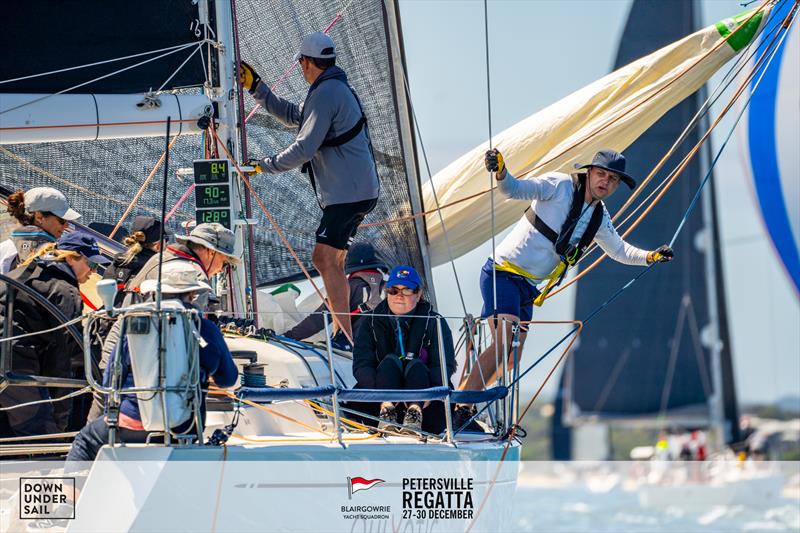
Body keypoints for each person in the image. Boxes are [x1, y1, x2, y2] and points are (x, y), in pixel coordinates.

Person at [454, 148, 675, 426]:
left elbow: (619, 250)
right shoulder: (559, 186)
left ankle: (463, 390)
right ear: (589, 172)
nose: (605, 182)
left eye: (612, 179)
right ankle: (462, 407)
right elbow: (513, 189)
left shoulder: (599, 217)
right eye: (601, 174)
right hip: (503, 273)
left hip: (528, 288)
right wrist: (501, 171)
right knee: (503, 345)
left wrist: (650, 257)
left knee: (511, 360)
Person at [240, 32, 380, 342]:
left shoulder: (327, 92)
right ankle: (344, 333)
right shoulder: (331, 89)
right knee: (335, 260)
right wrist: (256, 87)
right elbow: (295, 116)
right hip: (356, 192)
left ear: (306, 62)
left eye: (301, 63)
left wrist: (264, 165)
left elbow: (304, 148)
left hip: (348, 195)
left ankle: (344, 336)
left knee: (323, 258)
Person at [68, 261, 238, 462]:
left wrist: (112, 415)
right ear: (192, 295)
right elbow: (228, 379)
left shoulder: (133, 323)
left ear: (154, 293)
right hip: (183, 427)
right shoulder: (205, 327)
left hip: (129, 422)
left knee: (84, 442)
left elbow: (110, 378)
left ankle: (71, 493)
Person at [0, 233, 110, 437]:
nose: (93, 272)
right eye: (91, 264)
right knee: (40, 432)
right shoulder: (64, 291)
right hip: (16, 360)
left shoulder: (24, 272)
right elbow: (62, 358)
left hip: (9, 355)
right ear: (70, 257)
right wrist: (60, 419)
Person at [352, 265, 456, 434]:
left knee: (416, 366)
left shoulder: (435, 322)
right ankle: (387, 411)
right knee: (389, 363)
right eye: (394, 290)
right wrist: (380, 397)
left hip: (424, 400)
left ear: (419, 293)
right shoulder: (369, 322)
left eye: (407, 290)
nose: (399, 295)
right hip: (379, 398)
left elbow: (444, 366)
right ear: (387, 291)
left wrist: (426, 397)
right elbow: (362, 365)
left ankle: (414, 412)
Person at [284, 242, 387, 349]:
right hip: (380, 348)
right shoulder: (390, 289)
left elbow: (319, 318)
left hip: (353, 347)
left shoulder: (348, 287)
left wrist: (289, 336)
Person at [124, 222, 238, 305]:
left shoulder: (159, 257)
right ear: (212, 252)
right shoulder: (196, 276)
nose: (222, 270)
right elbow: (191, 330)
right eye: (224, 263)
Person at [0, 187, 82, 273]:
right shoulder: (41, 256)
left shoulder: (5, 247)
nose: (66, 226)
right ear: (39, 217)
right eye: (62, 220)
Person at [103, 216, 168, 307]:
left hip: (109, 317)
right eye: (166, 240)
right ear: (158, 245)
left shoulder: (117, 263)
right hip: (135, 319)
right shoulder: (156, 270)